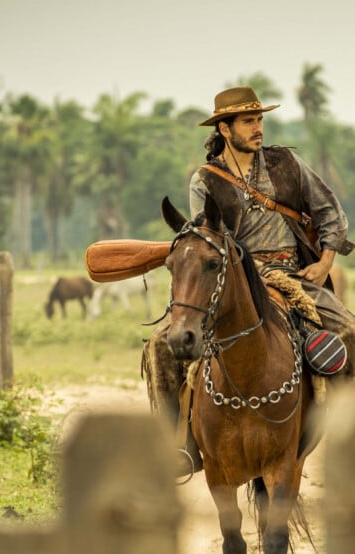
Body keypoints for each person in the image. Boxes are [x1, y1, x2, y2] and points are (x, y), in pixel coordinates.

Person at [141, 85, 355, 477]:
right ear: (225, 129)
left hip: (294, 277)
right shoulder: (204, 181)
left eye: (259, 120)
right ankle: (176, 445)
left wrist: (324, 263)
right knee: (160, 347)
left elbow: (330, 213)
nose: (258, 128)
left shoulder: (286, 162)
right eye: (249, 122)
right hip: (235, 281)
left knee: (349, 331)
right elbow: (209, 240)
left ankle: (347, 443)